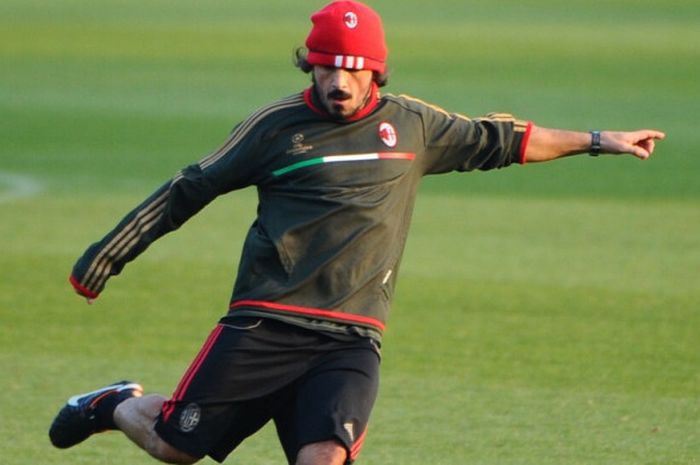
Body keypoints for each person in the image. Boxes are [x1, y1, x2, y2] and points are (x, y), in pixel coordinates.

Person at [48, 1, 665, 465]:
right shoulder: (274, 128)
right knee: (174, 447)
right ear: (310, 66)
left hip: (350, 335)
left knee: (325, 458)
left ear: (377, 72)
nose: (339, 83)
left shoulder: (415, 125)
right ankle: (114, 402)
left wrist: (597, 141)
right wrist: (108, 253)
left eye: (353, 70)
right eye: (326, 69)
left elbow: (505, 139)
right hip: (265, 322)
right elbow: (191, 188)